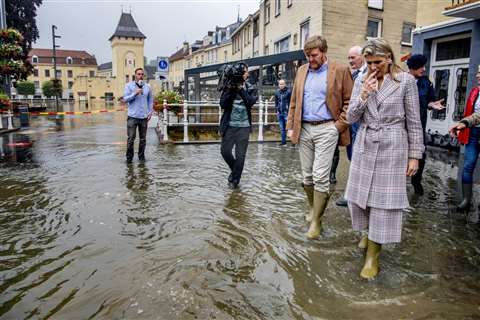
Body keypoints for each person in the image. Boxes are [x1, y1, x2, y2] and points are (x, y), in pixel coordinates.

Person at [345, 38, 424, 279]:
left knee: (383, 202)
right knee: (362, 199)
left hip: (393, 145)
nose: (373, 67)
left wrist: (414, 156)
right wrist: (364, 95)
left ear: (389, 58)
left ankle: (373, 257)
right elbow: (351, 118)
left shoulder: (406, 82)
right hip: (365, 143)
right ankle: (367, 233)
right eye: (368, 63)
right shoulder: (361, 79)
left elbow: (414, 121)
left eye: (377, 62)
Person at [286, 35, 353, 239]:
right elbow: (294, 101)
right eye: (307, 55)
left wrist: (337, 127)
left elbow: (350, 102)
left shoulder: (340, 70)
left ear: (324, 51)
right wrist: (290, 126)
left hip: (327, 128)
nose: (310, 59)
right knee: (306, 176)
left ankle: (316, 221)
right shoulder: (301, 70)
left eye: (313, 55)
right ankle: (314, 210)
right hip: (303, 128)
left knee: (320, 175)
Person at [406, 54, 445, 196]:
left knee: (420, 153)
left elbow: (429, 100)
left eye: (424, 66)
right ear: (412, 67)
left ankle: (416, 182)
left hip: (419, 125)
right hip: (402, 126)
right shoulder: (401, 80)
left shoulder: (426, 82)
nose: (424, 69)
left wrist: (432, 104)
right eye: (420, 66)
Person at [336, 45, 368, 207]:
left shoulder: (369, 73)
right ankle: (355, 194)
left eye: (353, 58)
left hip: (362, 124)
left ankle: (354, 196)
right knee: (352, 158)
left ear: (362, 56)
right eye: (348, 58)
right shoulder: (351, 74)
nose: (350, 61)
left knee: (359, 159)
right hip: (350, 123)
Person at [219, 63, 258, 188]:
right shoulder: (229, 85)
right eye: (246, 71)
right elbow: (223, 104)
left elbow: (251, 102)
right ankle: (235, 171)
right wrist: (231, 89)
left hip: (244, 126)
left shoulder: (251, 86)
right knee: (225, 152)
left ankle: (234, 182)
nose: (247, 73)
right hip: (229, 125)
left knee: (240, 156)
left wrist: (240, 89)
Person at [449, 66, 480, 211]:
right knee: (468, 166)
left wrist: (464, 123)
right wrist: (463, 124)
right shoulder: (475, 91)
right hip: (474, 133)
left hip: (472, 125)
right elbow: (473, 113)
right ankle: (466, 200)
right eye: (478, 72)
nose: (478, 75)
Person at [123, 67, 153, 164]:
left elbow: (150, 100)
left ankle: (141, 157)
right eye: (138, 74)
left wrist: (150, 111)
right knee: (131, 138)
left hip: (143, 117)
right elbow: (125, 99)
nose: (140, 76)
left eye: (142, 74)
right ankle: (129, 159)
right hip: (132, 116)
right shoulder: (129, 86)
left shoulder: (147, 86)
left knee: (143, 139)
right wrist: (134, 93)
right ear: (135, 75)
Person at [273, 79, 292, 146]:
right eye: (280, 84)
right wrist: (276, 110)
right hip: (280, 113)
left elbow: (291, 102)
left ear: (285, 84)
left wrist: (290, 111)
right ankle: (283, 142)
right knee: (282, 129)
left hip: (287, 112)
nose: (281, 85)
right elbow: (276, 102)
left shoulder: (289, 92)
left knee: (290, 128)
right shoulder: (277, 92)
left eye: (282, 84)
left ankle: (293, 142)